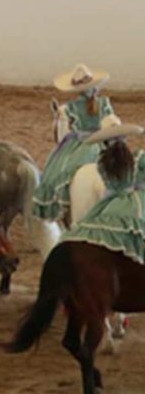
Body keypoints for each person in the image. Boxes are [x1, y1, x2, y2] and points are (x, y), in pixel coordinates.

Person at [33, 64, 114, 221]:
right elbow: (111, 124)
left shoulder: (70, 108)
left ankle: (62, 204)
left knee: (57, 169)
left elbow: (65, 129)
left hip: (81, 145)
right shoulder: (104, 103)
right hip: (102, 142)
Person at [62, 115, 145, 263]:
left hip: (110, 203)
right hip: (135, 202)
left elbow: (110, 187)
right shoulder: (137, 157)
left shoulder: (102, 163)